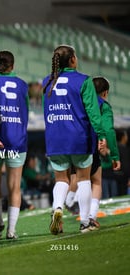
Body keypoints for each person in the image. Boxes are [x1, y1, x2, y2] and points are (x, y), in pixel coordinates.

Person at [42, 45, 106, 235]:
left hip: (55, 138)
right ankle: (85, 222)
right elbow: (93, 113)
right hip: (78, 137)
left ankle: (58, 207)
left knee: (61, 180)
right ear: (72, 60)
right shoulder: (83, 80)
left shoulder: (47, 81)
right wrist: (101, 135)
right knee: (83, 179)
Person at [0, 50, 29, 240]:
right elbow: (24, 112)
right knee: (14, 186)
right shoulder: (23, 85)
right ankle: (11, 230)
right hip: (17, 140)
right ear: (13, 65)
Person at [66, 76, 121, 230]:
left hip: (74, 143)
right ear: (105, 93)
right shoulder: (103, 105)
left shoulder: (81, 103)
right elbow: (108, 130)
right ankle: (90, 217)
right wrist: (114, 155)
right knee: (95, 181)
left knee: (76, 176)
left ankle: (68, 201)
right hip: (91, 144)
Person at [114, 130, 130, 196]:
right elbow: (126, 164)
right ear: (123, 137)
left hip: (114, 174)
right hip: (123, 176)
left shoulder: (115, 148)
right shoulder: (124, 149)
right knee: (122, 194)